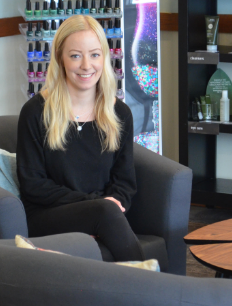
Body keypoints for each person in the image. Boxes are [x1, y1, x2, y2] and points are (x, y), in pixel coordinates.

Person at [16, 15, 144, 262]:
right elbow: (33, 185)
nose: (87, 65)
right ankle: (152, 288)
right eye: (75, 55)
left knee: (106, 212)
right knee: (105, 212)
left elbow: (125, 182)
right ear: (60, 60)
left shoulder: (119, 114)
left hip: (103, 213)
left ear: (104, 58)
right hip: (48, 215)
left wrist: (102, 209)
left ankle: (143, 290)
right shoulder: (36, 112)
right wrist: (95, 207)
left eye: (95, 55)